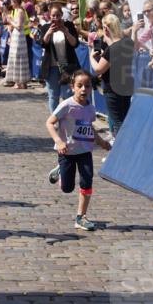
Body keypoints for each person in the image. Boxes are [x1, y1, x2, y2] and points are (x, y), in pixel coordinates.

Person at [46, 68, 111, 232]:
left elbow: (90, 127)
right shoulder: (67, 105)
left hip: (84, 151)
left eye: (87, 86)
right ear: (72, 86)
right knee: (67, 188)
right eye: (80, 85)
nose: (84, 89)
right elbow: (49, 123)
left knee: (87, 181)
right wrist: (58, 141)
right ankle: (61, 171)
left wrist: (101, 142)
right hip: (66, 151)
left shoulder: (90, 108)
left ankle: (81, 217)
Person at [89, 13, 135, 136]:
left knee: (117, 122)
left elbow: (98, 69)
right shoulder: (127, 43)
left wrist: (91, 58)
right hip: (127, 86)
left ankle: (123, 150)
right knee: (124, 119)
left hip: (113, 88)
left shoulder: (112, 49)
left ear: (106, 28)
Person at [36, 2, 80, 113]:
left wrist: (66, 32)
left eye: (58, 15)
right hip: (51, 66)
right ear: (50, 16)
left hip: (67, 65)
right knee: (53, 95)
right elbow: (42, 44)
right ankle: (55, 121)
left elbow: (75, 44)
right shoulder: (46, 27)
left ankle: (67, 119)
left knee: (67, 94)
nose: (56, 18)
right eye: (53, 16)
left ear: (62, 15)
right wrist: (49, 33)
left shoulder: (69, 26)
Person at [3, 0, 30, 89]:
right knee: (16, 57)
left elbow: (18, 26)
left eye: (11, 2)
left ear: (15, 2)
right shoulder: (17, 10)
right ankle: (18, 82)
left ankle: (20, 82)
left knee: (18, 58)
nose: (11, 3)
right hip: (16, 35)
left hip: (19, 36)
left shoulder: (20, 11)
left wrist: (10, 21)